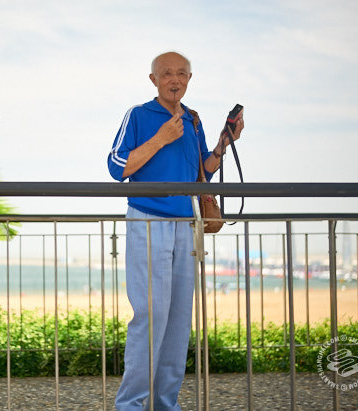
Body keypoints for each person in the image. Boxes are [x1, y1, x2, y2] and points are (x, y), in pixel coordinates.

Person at [107, 51, 244, 410]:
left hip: (186, 225)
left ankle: (165, 404)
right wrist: (161, 138)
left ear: (189, 79)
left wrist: (223, 144)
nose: (174, 79)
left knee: (179, 320)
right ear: (153, 80)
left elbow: (203, 171)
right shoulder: (138, 115)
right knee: (150, 315)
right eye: (166, 73)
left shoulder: (193, 120)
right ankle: (130, 405)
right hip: (148, 221)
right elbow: (118, 167)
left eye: (181, 73)